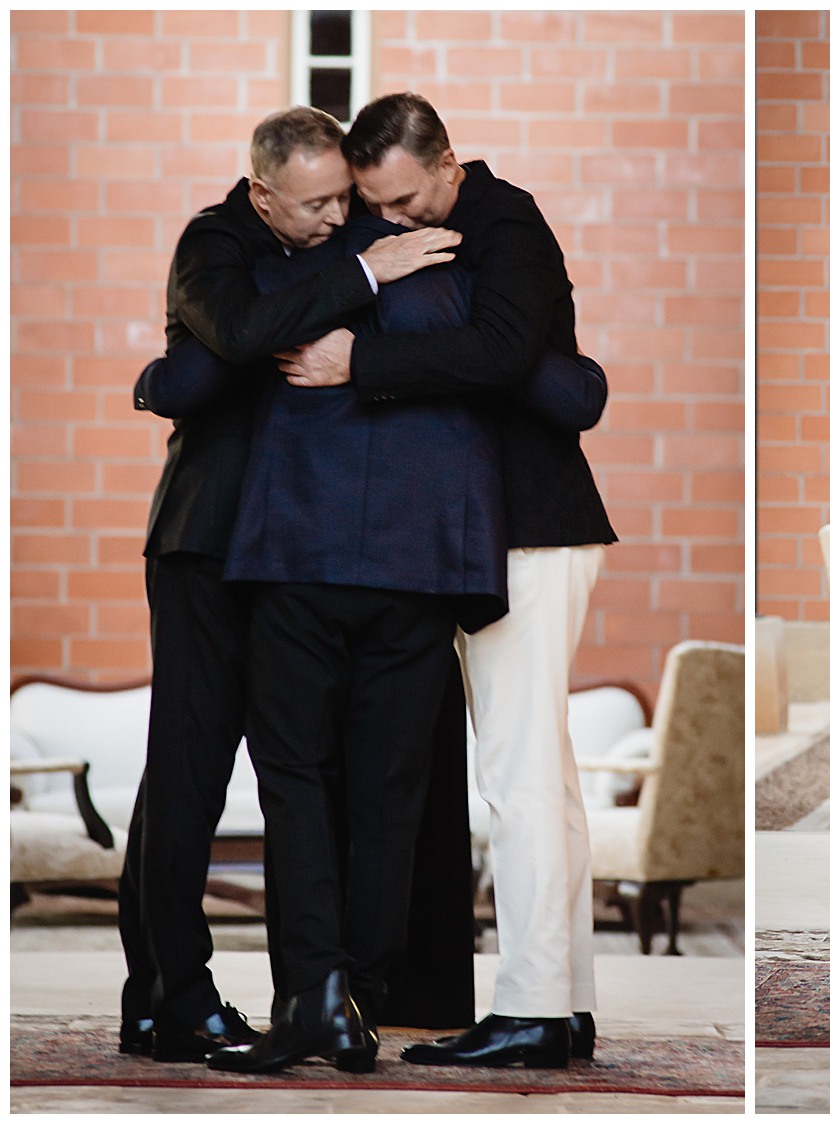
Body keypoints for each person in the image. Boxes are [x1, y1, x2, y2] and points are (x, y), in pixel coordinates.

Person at [280, 92, 616, 1069]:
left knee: (516, 774)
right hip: (488, 531)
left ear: (449, 163)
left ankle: (531, 1006)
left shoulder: (504, 223)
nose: (388, 218)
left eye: (403, 198)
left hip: (530, 526)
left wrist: (359, 359)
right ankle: (564, 1003)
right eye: (372, 203)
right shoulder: (430, 223)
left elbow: (506, 353)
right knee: (539, 772)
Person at [119, 106, 456, 1064]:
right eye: (314, 206)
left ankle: (274, 996)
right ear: (264, 192)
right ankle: (169, 993)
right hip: (205, 543)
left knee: (283, 775)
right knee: (188, 773)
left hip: (285, 552)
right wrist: (353, 275)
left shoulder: (332, 235)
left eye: (343, 201)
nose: (333, 218)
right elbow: (236, 331)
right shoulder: (215, 242)